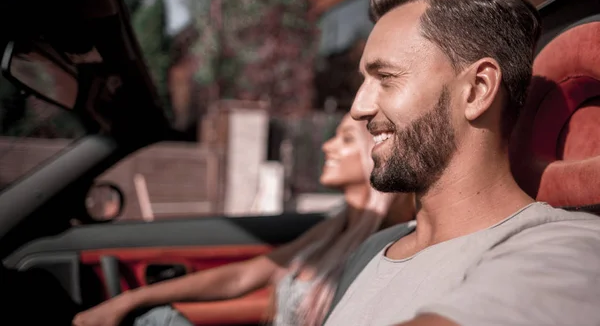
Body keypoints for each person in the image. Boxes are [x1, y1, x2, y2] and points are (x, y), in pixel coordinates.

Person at [323, 0, 600, 326]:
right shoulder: (371, 250)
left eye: (386, 78)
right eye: (363, 81)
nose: (358, 107)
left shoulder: (568, 247)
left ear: (477, 90)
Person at [72, 113, 416, 326]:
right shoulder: (336, 226)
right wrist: (129, 298)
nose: (326, 147)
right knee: (147, 316)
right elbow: (243, 275)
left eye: (343, 139)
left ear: (375, 152)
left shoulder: (387, 245)